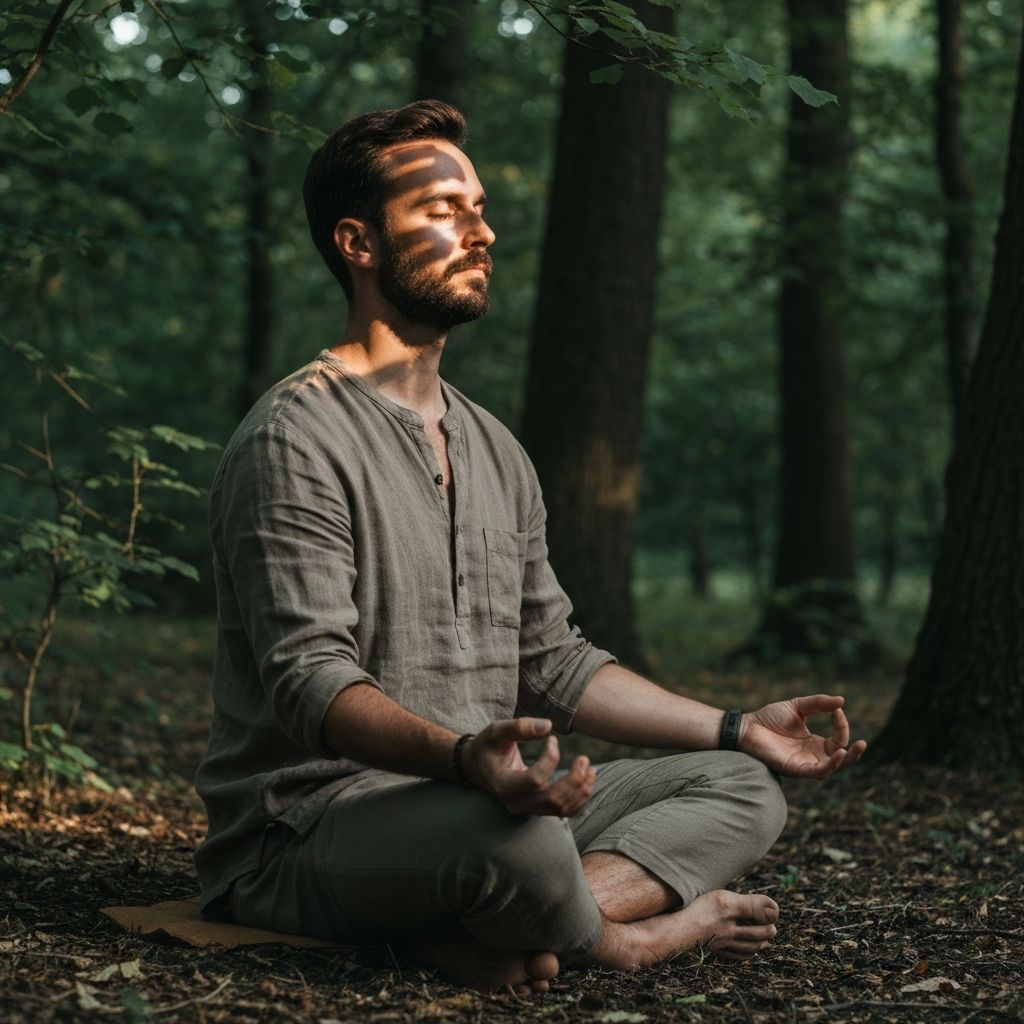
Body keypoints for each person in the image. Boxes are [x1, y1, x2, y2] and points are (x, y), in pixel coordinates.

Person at [193, 100, 867, 995]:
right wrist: (467, 761)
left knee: (742, 788)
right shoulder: (294, 437)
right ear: (357, 243)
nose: (483, 232)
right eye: (443, 211)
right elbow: (310, 680)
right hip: (310, 828)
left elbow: (555, 661)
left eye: (479, 208)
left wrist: (741, 728)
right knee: (517, 843)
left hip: (489, 807)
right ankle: (629, 940)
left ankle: (498, 927)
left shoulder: (496, 448)